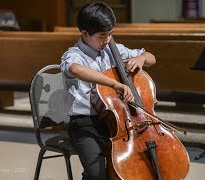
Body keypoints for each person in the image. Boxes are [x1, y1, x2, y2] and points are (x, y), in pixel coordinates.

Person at [60, 2, 156, 180]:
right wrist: (114, 84)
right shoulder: (73, 55)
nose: (107, 40)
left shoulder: (114, 49)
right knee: (96, 175)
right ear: (84, 33)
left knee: (139, 163)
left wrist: (141, 58)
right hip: (85, 124)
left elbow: (152, 57)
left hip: (117, 121)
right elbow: (76, 69)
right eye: (102, 36)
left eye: (110, 34)